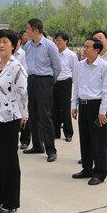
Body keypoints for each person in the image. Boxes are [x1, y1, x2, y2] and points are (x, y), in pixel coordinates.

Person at [0, 29, 28, 213]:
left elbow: (23, 94)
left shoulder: (16, 67)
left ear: (14, 45)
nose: (1, 45)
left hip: (10, 118)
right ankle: (1, 195)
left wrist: (24, 116)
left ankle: (11, 202)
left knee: (10, 160)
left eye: (5, 42)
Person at [71, 37, 107, 186]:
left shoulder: (104, 67)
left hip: (97, 107)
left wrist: (102, 112)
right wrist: (74, 105)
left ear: (97, 50)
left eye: (88, 47)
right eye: (84, 46)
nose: (84, 49)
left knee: (99, 141)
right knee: (85, 139)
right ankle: (87, 169)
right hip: (83, 106)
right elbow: (76, 86)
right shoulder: (80, 65)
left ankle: (100, 172)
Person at [23, 18, 61, 162]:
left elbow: (57, 67)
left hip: (44, 81)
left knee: (45, 116)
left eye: (28, 29)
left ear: (36, 30)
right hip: (31, 80)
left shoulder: (49, 46)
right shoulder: (28, 46)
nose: (26, 31)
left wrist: (50, 81)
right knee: (32, 114)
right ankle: (37, 145)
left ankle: (51, 149)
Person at [53, 32, 79, 142]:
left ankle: (68, 133)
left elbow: (75, 71)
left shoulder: (71, 55)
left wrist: (73, 83)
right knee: (54, 108)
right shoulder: (54, 53)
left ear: (66, 41)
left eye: (60, 40)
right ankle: (55, 132)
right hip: (54, 82)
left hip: (65, 82)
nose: (57, 42)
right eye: (56, 40)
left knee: (65, 109)